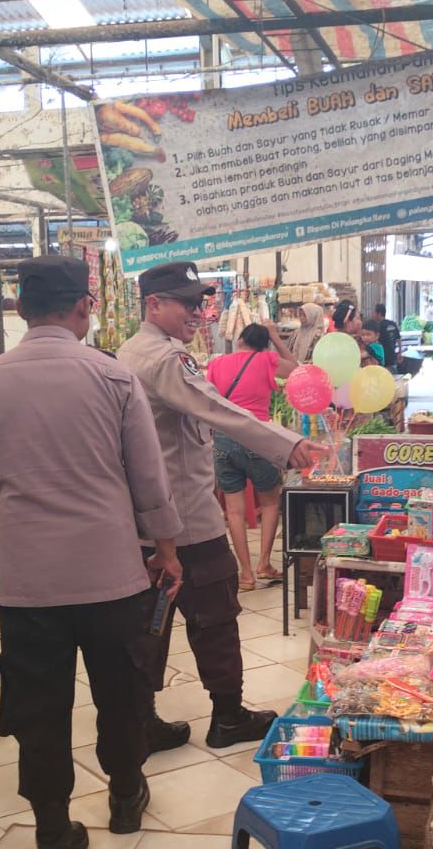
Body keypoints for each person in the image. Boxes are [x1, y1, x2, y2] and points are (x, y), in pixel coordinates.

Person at [0, 256, 184, 849]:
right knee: (121, 691)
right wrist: (166, 549)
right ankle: (125, 797)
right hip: (111, 574)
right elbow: (148, 476)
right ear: (84, 307)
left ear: (19, 310)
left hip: (29, 583)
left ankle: (52, 840)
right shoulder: (112, 379)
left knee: (38, 709)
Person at [120, 263, 318, 751]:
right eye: (187, 303)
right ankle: (227, 717)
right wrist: (285, 441)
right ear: (153, 304)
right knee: (215, 616)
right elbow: (220, 410)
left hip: (146, 516)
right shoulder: (165, 359)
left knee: (149, 621)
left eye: (200, 302)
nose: (198, 312)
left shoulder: (129, 352)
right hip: (185, 517)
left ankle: (140, 719)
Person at [206, 323, 296, 591]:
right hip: (258, 437)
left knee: (233, 511)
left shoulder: (218, 363)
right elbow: (296, 370)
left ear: (240, 339)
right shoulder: (266, 359)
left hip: (222, 437)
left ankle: (245, 573)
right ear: (263, 343)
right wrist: (277, 340)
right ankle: (264, 563)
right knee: (270, 501)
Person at [373, 303, 402, 370]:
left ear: (379, 313)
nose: (373, 314)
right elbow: (399, 339)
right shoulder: (392, 324)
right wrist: (399, 353)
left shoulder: (379, 326)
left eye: (374, 312)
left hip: (384, 360)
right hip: (393, 359)